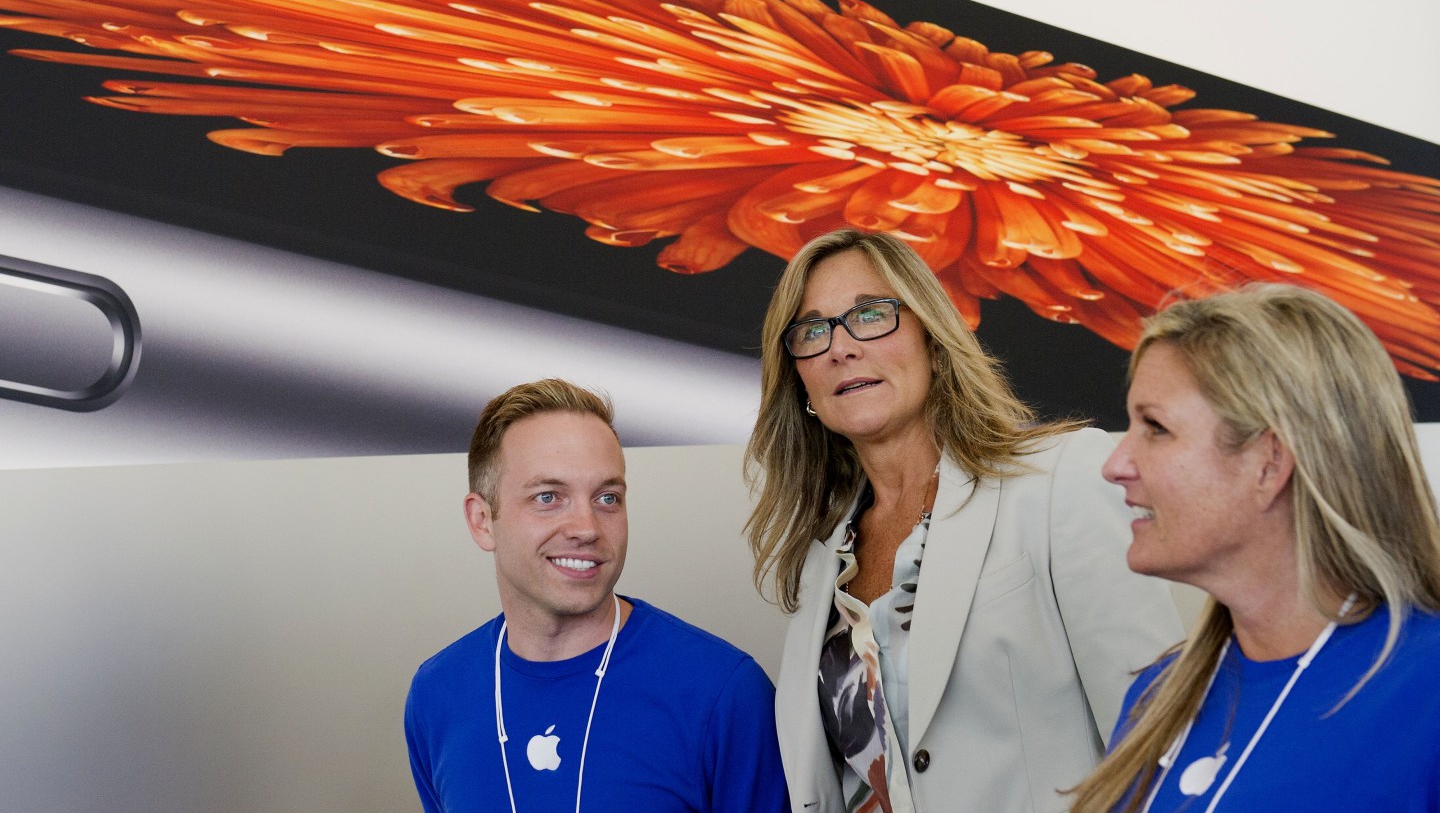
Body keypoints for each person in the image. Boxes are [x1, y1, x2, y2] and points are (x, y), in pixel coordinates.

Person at [744, 227, 1183, 813]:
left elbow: (1157, 738)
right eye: (812, 330)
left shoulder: (1060, 480)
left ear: (932, 339)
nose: (840, 348)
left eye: (871, 314)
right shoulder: (819, 560)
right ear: (800, 379)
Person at [1068, 283, 1440, 812]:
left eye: (1155, 428)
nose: (1115, 465)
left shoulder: (1424, 686)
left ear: (1270, 462)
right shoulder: (1160, 696)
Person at [405, 378, 788, 813]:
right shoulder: (436, 694)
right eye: (548, 497)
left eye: (607, 498)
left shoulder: (724, 693)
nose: (586, 528)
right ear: (481, 521)